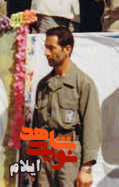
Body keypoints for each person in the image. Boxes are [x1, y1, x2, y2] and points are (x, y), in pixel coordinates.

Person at [31, 27, 101, 187]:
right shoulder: (43, 85)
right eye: (46, 48)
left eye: (52, 48)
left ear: (67, 49)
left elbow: (92, 127)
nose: (46, 53)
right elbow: (36, 126)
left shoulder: (83, 84)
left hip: (69, 157)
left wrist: (86, 168)